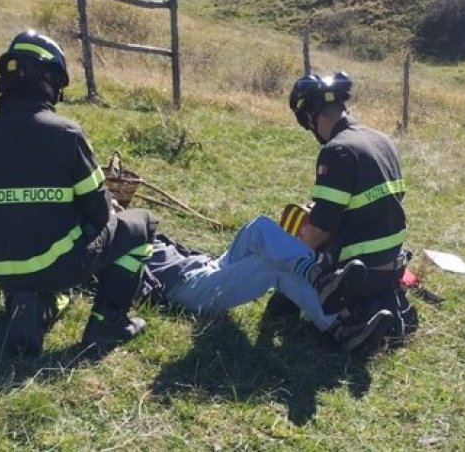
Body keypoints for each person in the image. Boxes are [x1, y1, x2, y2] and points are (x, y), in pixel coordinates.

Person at [0, 30, 158, 356]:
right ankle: (107, 324)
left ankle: (32, 304)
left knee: (43, 269)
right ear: (50, 79)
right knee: (143, 224)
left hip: (1, 268)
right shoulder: (66, 134)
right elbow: (99, 210)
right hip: (56, 264)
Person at [280, 71, 418, 347]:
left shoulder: (337, 151)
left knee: (290, 265)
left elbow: (320, 229)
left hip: (356, 273)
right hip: (391, 266)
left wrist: (292, 252)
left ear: (310, 116)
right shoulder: (382, 140)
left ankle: (344, 322)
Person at [141, 216, 390, 353]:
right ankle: (338, 321)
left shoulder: (130, 223)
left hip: (206, 266)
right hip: (188, 288)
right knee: (273, 266)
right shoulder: (116, 239)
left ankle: (322, 285)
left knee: (259, 226)